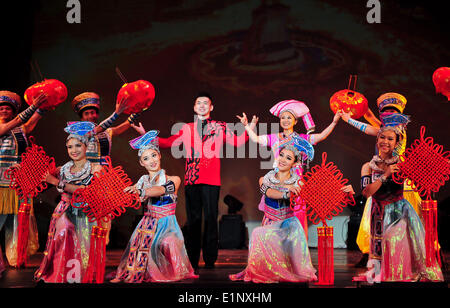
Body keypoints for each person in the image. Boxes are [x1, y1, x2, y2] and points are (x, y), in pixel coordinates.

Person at [136, 92, 253, 270]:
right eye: (199, 103)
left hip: (212, 180)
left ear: (211, 107)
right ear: (194, 107)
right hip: (192, 179)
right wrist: (146, 135)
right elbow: (168, 142)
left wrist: (248, 128)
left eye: (206, 103)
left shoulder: (219, 127)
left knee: (212, 218)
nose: (202, 105)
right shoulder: (186, 128)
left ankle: (210, 258)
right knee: (194, 220)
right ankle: (192, 258)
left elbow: (237, 142)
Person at [229, 135, 354, 283]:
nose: (282, 159)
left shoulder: (298, 182)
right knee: (258, 234)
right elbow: (269, 192)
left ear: (295, 163)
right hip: (270, 223)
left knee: (281, 250)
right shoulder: (265, 179)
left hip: (288, 226)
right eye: (281, 155)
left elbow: (318, 194)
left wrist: (342, 191)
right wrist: (288, 192)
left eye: (288, 158)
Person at [341, 92, 422, 267]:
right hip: (380, 176)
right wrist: (358, 103)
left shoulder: (396, 130)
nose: (385, 140)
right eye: (385, 112)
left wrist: (348, 119)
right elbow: (369, 116)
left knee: (399, 227)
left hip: (398, 176)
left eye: (391, 111)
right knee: (375, 216)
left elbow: (370, 127)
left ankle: (400, 260)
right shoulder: (386, 130)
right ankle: (374, 255)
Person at [237, 99, 341, 236]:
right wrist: (247, 126)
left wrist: (334, 122)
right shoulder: (274, 137)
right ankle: (273, 247)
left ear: (296, 121)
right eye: (283, 118)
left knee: (297, 215)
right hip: (277, 180)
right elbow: (255, 139)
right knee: (274, 213)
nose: (285, 120)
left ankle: (297, 248)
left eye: (289, 118)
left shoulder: (302, 139)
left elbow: (321, 136)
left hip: (296, 181)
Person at [355, 126, 443, 282]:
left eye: (390, 139)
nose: (385, 142)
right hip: (377, 212)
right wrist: (386, 175)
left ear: (396, 144)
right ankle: (381, 273)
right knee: (378, 248)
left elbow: (424, 174)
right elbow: (367, 192)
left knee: (393, 243)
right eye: (382, 138)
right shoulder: (368, 166)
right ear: (377, 140)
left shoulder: (402, 164)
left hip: (398, 212)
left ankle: (397, 276)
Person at [111, 130, 198, 283]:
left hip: (167, 225)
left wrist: (142, 191)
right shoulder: (142, 180)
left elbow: (161, 190)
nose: (151, 160)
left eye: (153, 155)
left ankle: (171, 270)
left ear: (159, 155)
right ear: (141, 162)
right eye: (146, 158)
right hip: (147, 223)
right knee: (137, 246)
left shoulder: (173, 179)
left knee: (167, 242)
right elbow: (133, 193)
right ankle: (134, 272)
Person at [34, 122, 104, 283]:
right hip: (65, 210)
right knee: (63, 233)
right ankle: (59, 275)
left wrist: (57, 183)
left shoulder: (96, 169)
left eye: (78, 145)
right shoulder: (62, 169)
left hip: (85, 213)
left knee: (82, 247)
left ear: (86, 146)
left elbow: (86, 192)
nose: (74, 150)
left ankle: (77, 277)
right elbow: (39, 184)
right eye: (70, 147)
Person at [0, 91, 48, 267]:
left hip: (19, 182)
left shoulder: (21, 130)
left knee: (17, 223)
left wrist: (43, 108)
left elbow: (30, 122)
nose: (4, 110)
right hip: (1, 184)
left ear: (13, 111)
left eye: (8, 108)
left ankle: (16, 258)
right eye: (2, 108)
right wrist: (34, 106)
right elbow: (19, 120)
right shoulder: (1, 126)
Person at [71, 92, 140, 165]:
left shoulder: (106, 132)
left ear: (97, 115)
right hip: (87, 173)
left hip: (104, 173)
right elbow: (98, 129)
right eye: (86, 113)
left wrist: (138, 110)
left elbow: (125, 125)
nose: (90, 116)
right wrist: (116, 114)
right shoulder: (79, 133)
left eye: (92, 112)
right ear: (81, 118)